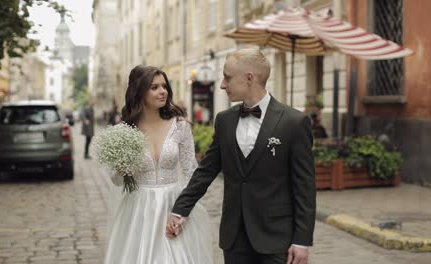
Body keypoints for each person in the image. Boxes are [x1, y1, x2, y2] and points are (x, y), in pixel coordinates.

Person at [168, 48, 316, 264]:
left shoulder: (293, 122)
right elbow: (206, 171)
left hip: (276, 237)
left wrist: (302, 241)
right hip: (234, 237)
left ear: (249, 78)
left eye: (227, 77)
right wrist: (180, 210)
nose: (222, 85)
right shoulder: (224, 120)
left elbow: (304, 186)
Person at [103, 65, 212, 264]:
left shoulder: (180, 125)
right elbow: (117, 181)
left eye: (164, 86)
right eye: (154, 87)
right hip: (138, 210)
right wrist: (122, 165)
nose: (163, 91)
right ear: (139, 91)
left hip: (174, 205)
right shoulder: (124, 131)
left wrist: (182, 213)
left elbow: (191, 172)